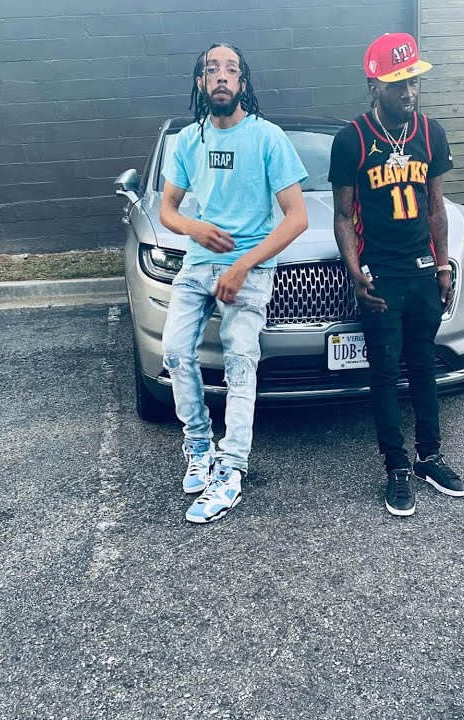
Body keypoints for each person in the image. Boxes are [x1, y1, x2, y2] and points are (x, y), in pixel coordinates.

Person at [158, 43, 309, 524]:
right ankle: (199, 445)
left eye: (231, 70)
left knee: (240, 363)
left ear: (243, 82)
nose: (221, 76)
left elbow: (297, 218)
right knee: (174, 352)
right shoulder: (188, 141)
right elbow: (167, 210)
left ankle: (232, 468)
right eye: (212, 69)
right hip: (198, 264)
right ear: (200, 82)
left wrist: (243, 265)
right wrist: (194, 228)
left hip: (250, 270)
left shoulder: (267, 137)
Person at [328, 32, 464, 517]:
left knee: (424, 365)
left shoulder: (431, 133)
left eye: (413, 81)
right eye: (396, 84)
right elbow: (343, 215)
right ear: (374, 86)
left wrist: (443, 265)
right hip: (380, 275)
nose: (408, 92)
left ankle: (430, 457)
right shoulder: (352, 139)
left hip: (422, 271)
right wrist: (354, 272)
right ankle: (396, 466)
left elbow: (436, 206)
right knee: (385, 373)